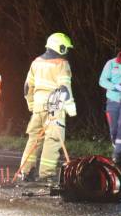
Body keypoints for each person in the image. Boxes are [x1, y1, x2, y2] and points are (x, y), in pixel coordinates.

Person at [19, 32, 77, 182]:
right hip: (55, 107)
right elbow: (65, 88)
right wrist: (71, 108)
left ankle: (26, 172)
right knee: (53, 139)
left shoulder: (36, 62)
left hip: (38, 106)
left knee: (34, 140)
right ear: (61, 47)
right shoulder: (62, 64)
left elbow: (27, 87)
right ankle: (46, 174)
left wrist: (31, 104)